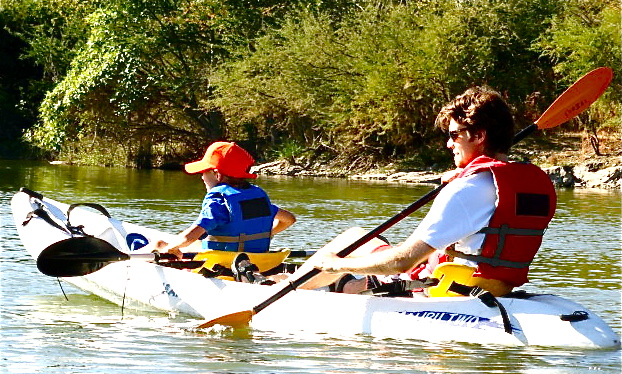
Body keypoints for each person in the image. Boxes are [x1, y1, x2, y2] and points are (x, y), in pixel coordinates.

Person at [296, 86, 556, 296]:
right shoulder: (523, 183)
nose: (448, 143)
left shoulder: (466, 189)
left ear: (478, 136)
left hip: (445, 290)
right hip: (493, 287)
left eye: (455, 135)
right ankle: (327, 287)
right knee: (363, 251)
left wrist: (335, 263)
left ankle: (283, 293)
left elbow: (402, 262)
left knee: (350, 241)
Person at [153, 141, 296, 282]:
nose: (202, 177)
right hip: (258, 263)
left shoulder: (219, 201)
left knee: (159, 244)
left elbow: (188, 237)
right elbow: (289, 219)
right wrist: (266, 233)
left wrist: (171, 248)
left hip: (220, 267)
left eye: (204, 172)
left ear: (217, 175)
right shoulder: (258, 198)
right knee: (195, 245)